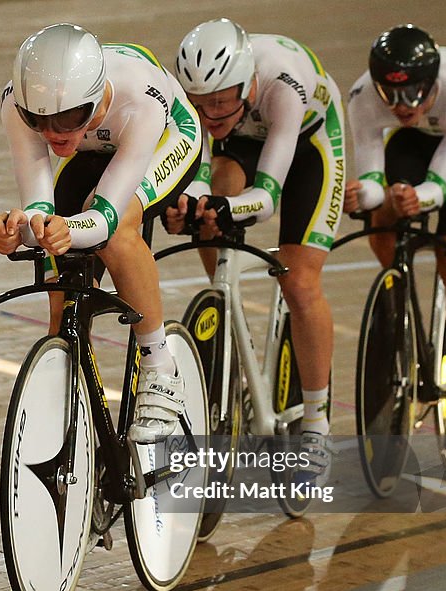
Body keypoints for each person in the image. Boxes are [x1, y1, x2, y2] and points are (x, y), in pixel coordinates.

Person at [0, 23, 202, 444]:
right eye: (39, 120)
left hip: (165, 137)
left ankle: (159, 366)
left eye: (66, 117)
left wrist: (69, 227)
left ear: (94, 97)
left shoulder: (142, 97)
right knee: (61, 295)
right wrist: (17, 231)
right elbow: (38, 207)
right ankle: (71, 410)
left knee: (118, 230)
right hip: (92, 149)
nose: (51, 133)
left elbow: (103, 218)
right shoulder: (17, 103)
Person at [166, 19, 345, 486]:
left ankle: (317, 424)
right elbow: (197, 169)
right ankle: (231, 325)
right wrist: (191, 205)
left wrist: (222, 206)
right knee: (210, 211)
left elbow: (265, 199)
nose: (210, 112)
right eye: (200, 103)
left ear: (249, 84)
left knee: (300, 282)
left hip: (309, 145)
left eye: (222, 100)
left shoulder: (283, 84)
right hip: (242, 144)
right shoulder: (204, 107)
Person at [344, 25, 446, 444]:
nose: (402, 106)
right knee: (381, 218)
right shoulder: (363, 98)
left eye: (413, 95)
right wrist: (364, 194)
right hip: (410, 143)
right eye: (390, 96)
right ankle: (397, 298)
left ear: (433, 83)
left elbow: (443, 181)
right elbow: (372, 175)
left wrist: (421, 196)